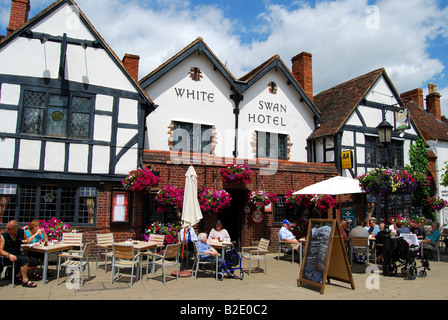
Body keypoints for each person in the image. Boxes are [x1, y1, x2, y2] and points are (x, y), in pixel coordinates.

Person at [0, 220, 37, 287]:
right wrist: (9, 255)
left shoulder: (21, 232)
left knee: (35, 261)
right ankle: (25, 280)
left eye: (8, 228)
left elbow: (26, 239)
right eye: (6, 228)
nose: (6, 229)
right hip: (8, 257)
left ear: (15, 229)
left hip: (18, 254)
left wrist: (26, 241)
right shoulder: (3, 237)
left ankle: (17, 275)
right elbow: (0, 250)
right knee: (25, 260)